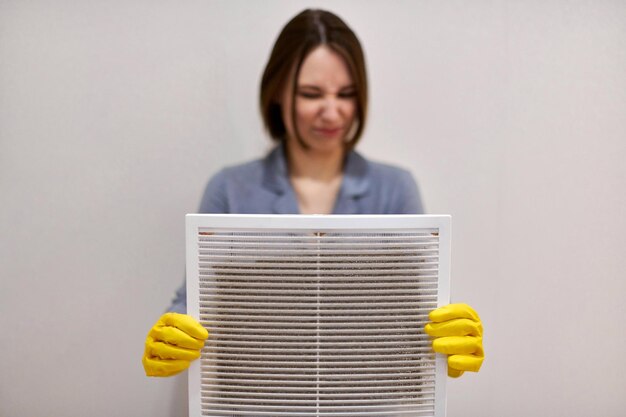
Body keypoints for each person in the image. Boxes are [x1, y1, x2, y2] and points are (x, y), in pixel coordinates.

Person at [142, 8, 484, 380]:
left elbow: (416, 317)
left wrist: (449, 336)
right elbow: (193, 306)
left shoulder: (395, 189)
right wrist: (172, 337)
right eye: (311, 94)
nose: (332, 112)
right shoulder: (229, 190)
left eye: (347, 94)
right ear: (276, 93)